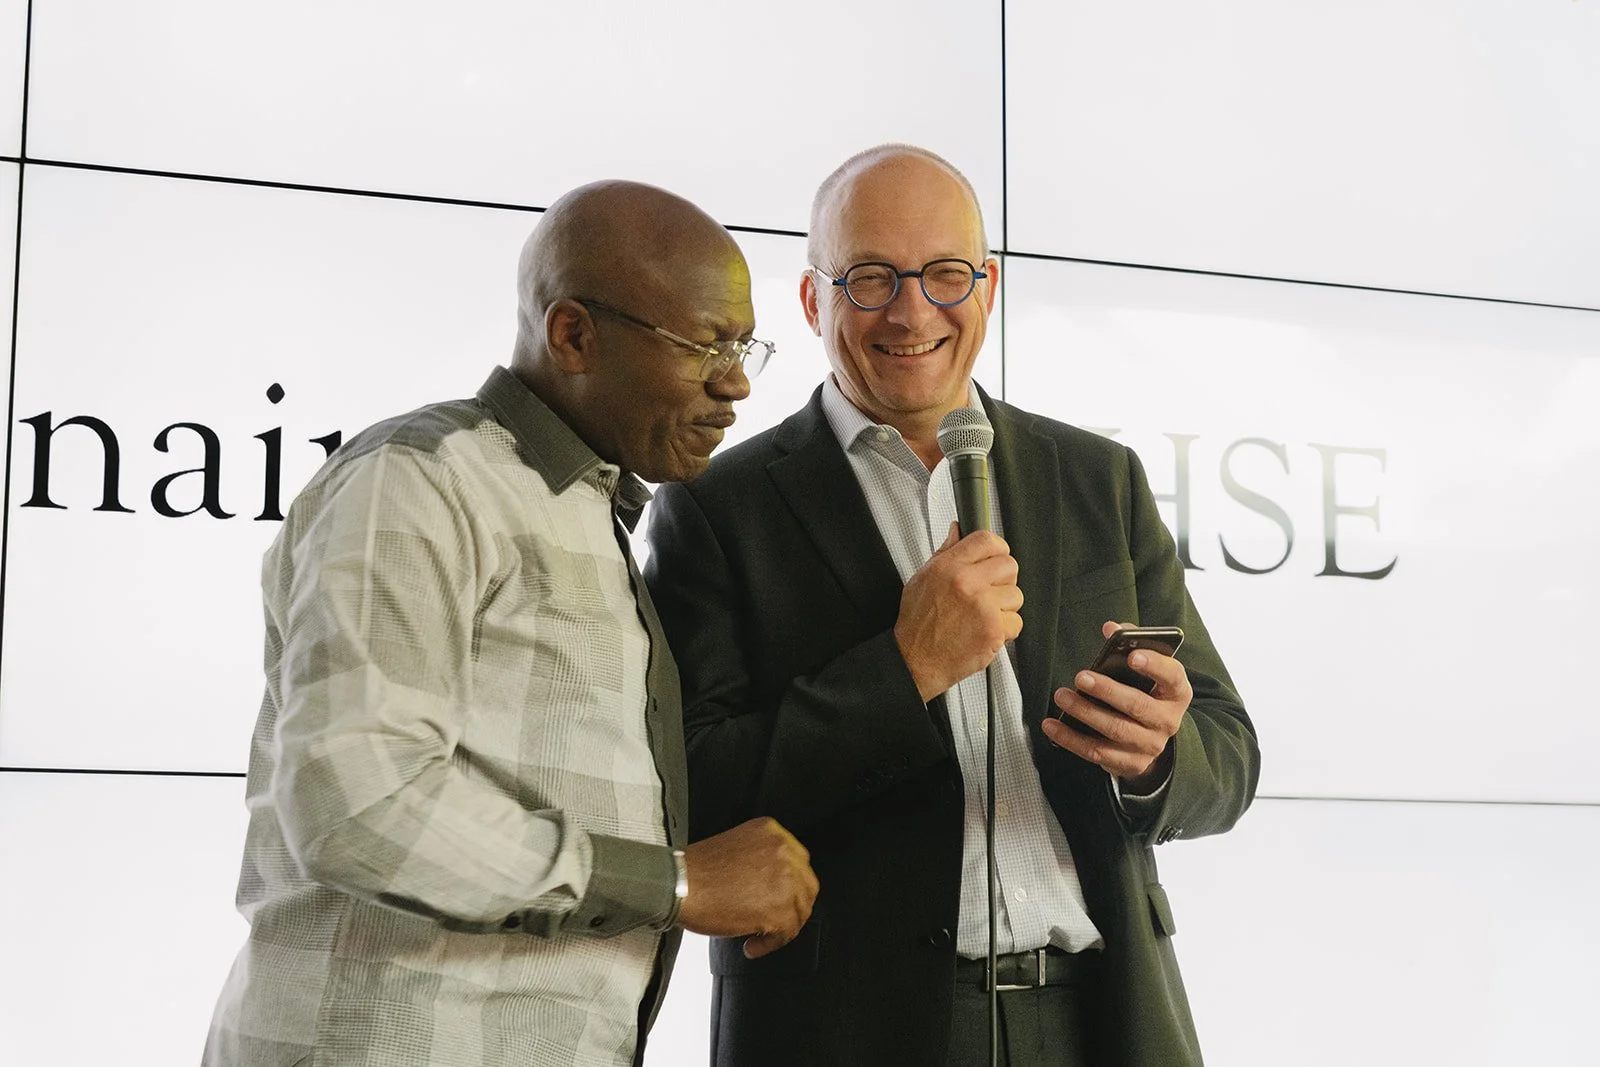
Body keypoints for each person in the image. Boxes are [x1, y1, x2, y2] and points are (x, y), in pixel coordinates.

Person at [644, 146, 1261, 1066]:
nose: (912, 310)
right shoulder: (714, 507)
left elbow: (1229, 751)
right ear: (814, 301)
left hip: (1100, 1016)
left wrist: (1158, 760)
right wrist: (903, 669)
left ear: (989, 285)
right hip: (847, 1031)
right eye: (870, 279)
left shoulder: (1098, 479)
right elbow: (690, 789)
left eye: (944, 275)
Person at [203, 180, 819, 1067]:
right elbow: (358, 803)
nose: (737, 384)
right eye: (705, 346)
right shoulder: (418, 480)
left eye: (743, 345)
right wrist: (677, 880)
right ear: (573, 334)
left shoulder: (585, 509)